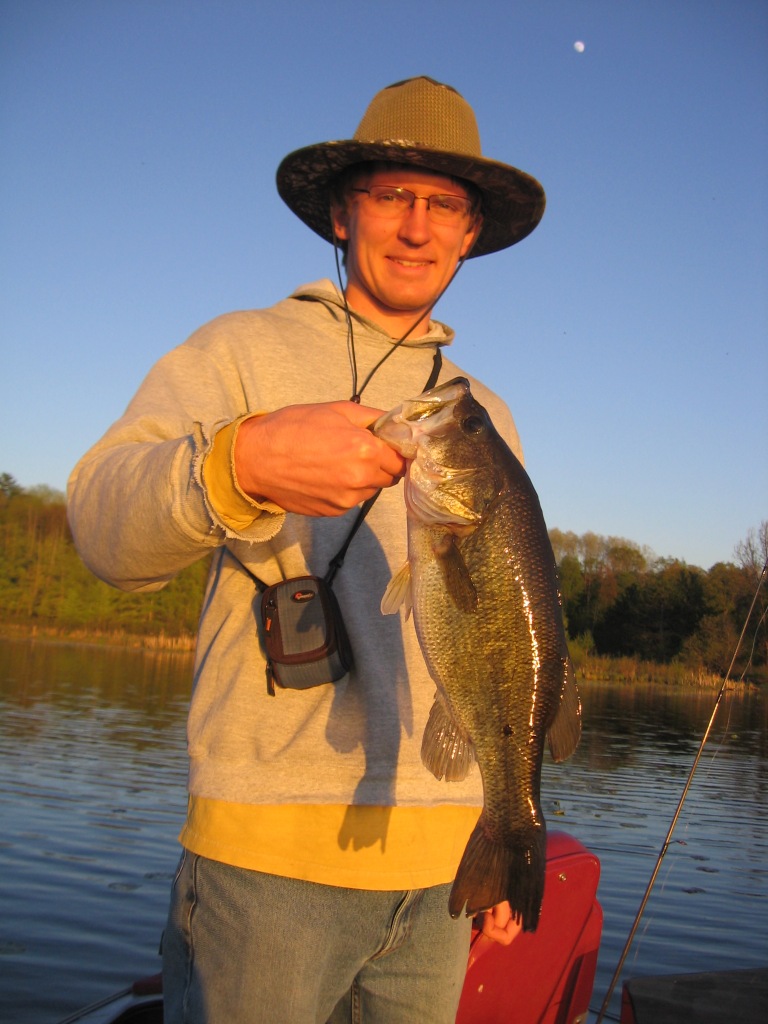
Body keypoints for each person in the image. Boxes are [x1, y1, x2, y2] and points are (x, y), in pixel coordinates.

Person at [67, 76, 546, 1024]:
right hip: (266, 867)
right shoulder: (239, 350)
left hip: (444, 872)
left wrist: (506, 836)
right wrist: (237, 463)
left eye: (443, 205)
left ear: (469, 235)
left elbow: (517, 644)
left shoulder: (482, 416)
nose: (416, 227)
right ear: (340, 214)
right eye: (391, 196)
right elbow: (100, 528)